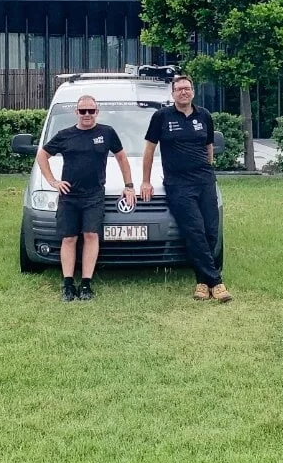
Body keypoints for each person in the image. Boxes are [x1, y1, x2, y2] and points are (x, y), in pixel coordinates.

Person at [141, 74, 232, 303]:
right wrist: (145, 180)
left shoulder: (204, 116)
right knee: (194, 230)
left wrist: (208, 171)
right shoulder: (161, 117)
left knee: (211, 230)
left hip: (204, 180)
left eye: (187, 88)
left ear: (193, 92)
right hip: (178, 184)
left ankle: (202, 282)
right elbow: (149, 150)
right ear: (172, 94)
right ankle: (217, 282)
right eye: (179, 88)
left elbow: (209, 146)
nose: (184, 92)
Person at [36, 95, 135, 302]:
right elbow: (42, 155)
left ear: (97, 112)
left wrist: (129, 186)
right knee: (69, 238)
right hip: (69, 195)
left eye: (91, 111)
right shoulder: (65, 135)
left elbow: (122, 158)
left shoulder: (107, 133)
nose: (87, 115)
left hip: (94, 195)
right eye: (83, 111)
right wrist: (54, 182)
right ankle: (68, 284)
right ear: (77, 113)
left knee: (91, 236)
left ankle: (86, 283)